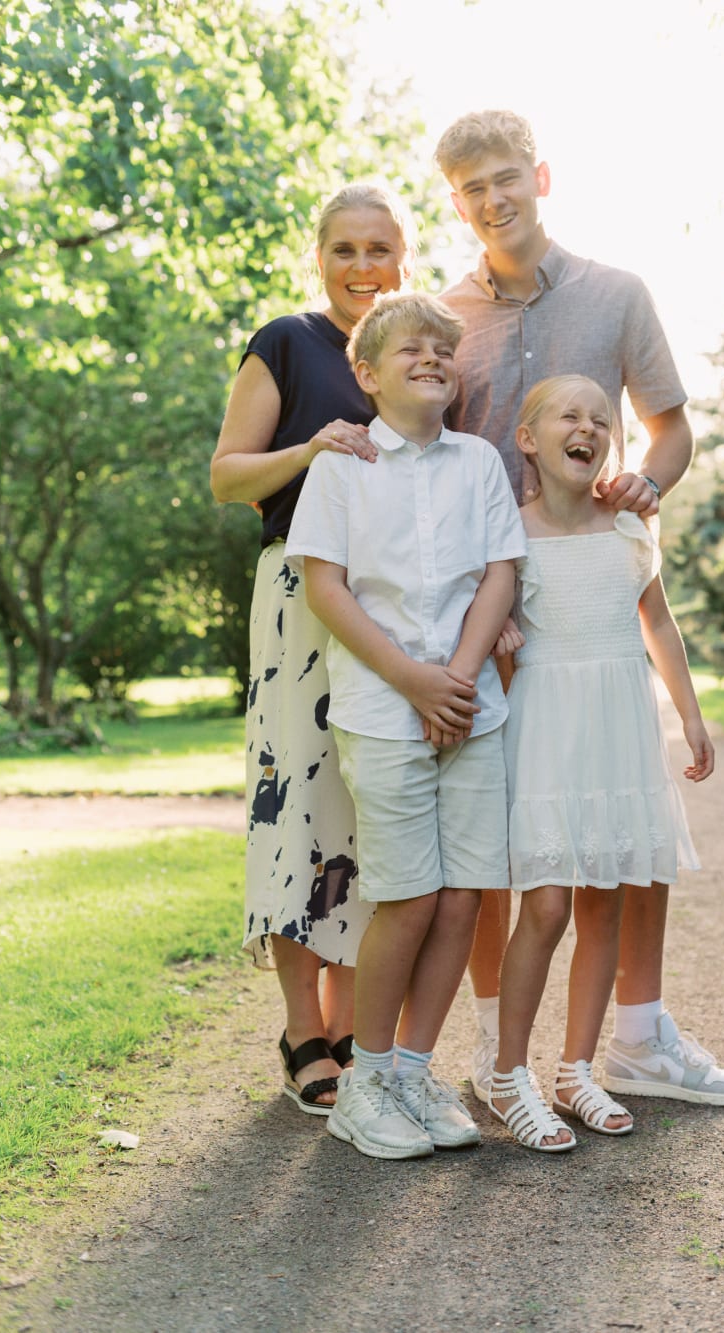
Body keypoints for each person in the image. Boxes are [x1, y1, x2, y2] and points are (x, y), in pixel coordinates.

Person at [434, 109, 724, 1109]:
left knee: (628, 826)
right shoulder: (445, 314)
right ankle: (502, 1053)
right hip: (491, 602)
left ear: (540, 175)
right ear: (455, 200)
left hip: (594, 589)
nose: (494, 200)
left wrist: (647, 488)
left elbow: (670, 429)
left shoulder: (619, 294)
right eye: (472, 187)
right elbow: (432, 453)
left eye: (506, 178)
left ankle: (636, 1038)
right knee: (504, 841)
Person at [286, 291, 528, 1160]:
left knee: (465, 893)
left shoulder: (476, 463)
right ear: (366, 373)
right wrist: (414, 683)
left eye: (441, 349)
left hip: (471, 707)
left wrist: (455, 682)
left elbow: (500, 573)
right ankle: (366, 1081)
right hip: (384, 711)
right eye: (409, 350)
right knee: (410, 894)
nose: (431, 358)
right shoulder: (343, 468)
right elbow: (327, 589)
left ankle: (415, 1070)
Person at [210, 183, 414, 1116]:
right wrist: (312, 448)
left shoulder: (417, 343)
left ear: (403, 256)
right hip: (298, 594)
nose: (363, 267)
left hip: (395, 599)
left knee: (367, 807)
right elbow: (225, 475)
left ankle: (344, 1020)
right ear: (318, 258)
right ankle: (301, 1028)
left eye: (379, 249)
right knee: (297, 798)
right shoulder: (286, 342)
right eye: (345, 249)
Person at [490, 375, 714, 1153]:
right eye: (567, 417)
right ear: (529, 440)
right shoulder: (510, 535)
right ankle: (507, 1073)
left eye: (600, 420)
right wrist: (496, 636)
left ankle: (576, 1069)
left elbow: (658, 623)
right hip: (552, 735)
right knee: (546, 907)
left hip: (620, 734)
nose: (587, 428)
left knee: (606, 904)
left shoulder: (628, 532)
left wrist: (688, 715)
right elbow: (484, 621)